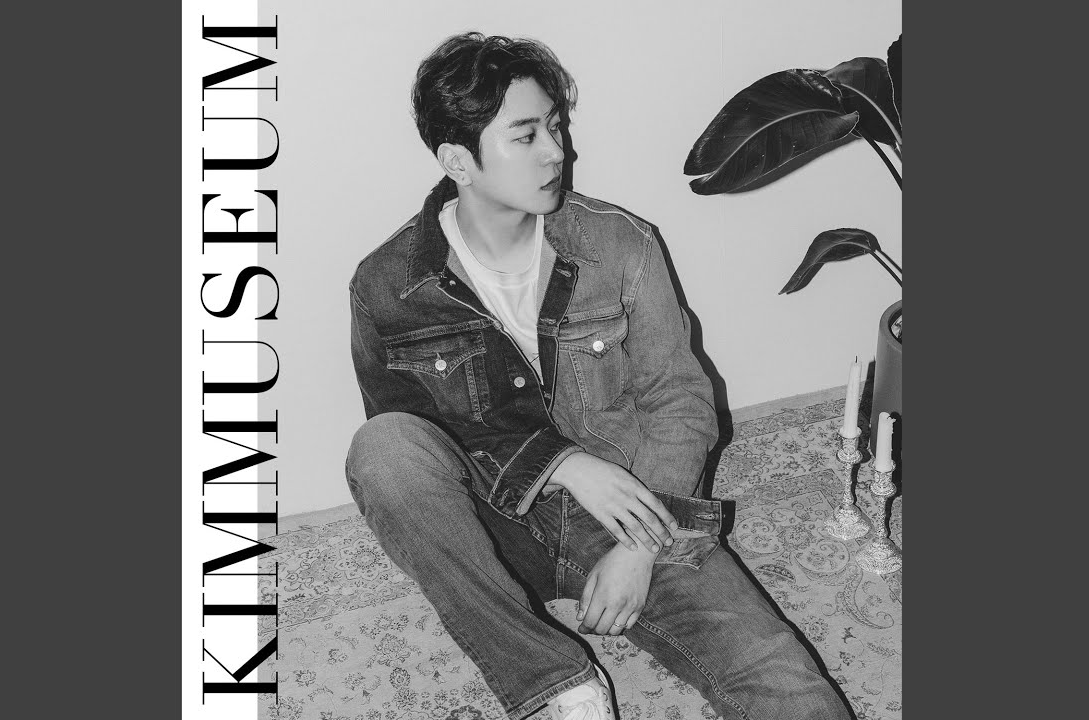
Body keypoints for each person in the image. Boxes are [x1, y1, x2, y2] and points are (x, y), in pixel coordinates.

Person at [346, 31, 851, 720]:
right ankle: (559, 684)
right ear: (457, 160)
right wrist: (562, 465)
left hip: (631, 505)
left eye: (555, 126)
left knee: (791, 692)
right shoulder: (389, 285)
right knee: (381, 451)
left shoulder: (619, 244)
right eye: (526, 136)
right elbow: (412, 444)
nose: (557, 151)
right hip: (492, 521)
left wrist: (641, 546)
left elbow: (681, 400)